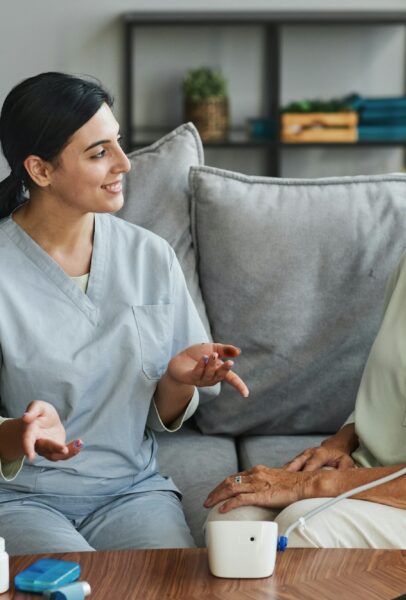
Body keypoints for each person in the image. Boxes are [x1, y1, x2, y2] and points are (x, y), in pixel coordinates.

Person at [205, 67, 406, 599]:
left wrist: (322, 485)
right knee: (232, 524)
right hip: (374, 479)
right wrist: (342, 441)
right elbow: (397, 389)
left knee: (305, 531)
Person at [0, 71, 248, 556]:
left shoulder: (151, 256)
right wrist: (18, 433)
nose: (124, 164)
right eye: (99, 152)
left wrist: (178, 380)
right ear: (40, 170)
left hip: (132, 494)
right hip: (24, 499)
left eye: (118, 143)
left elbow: (159, 415)